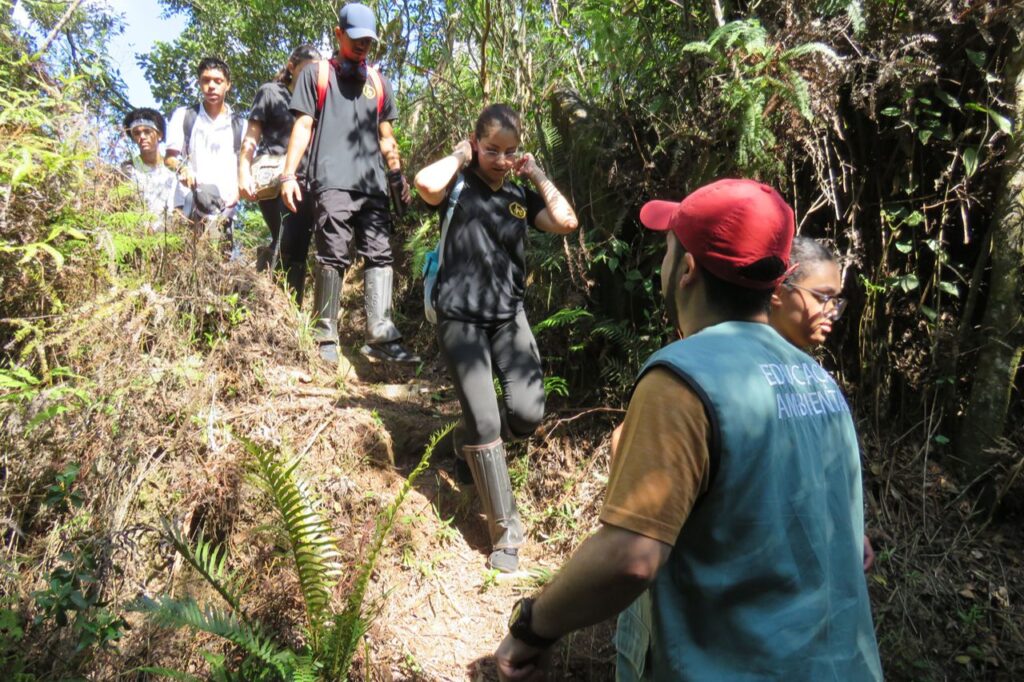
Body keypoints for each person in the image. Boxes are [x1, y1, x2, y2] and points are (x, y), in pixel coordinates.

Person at [495, 179, 882, 681]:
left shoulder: (684, 377)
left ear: (687, 269)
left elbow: (628, 559)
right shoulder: (818, 382)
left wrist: (532, 627)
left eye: (668, 249)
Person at [413, 104, 579, 573]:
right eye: (492, 149)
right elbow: (424, 184)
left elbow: (566, 221)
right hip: (459, 318)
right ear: (475, 142)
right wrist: (461, 155)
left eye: (510, 151)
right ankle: (506, 535)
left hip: (508, 317)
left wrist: (539, 173)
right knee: (488, 424)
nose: (501, 159)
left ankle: (462, 442)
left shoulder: (521, 198)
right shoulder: (457, 187)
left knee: (527, 414)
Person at [280, 3, 416, 364]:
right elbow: (303, 126)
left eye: (368, 41)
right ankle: (326, 335)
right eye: (355, 39)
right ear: (338, 34)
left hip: (373, 185)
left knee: (380, 253)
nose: (362, 46)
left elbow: (386, 135)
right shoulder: (316, 75)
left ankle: (380, 333)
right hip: (332, 180)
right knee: (332, 253)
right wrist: (289, 174)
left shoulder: (378, 81)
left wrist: (397, 175)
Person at [770, 235, 875, 571]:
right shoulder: (733, 371)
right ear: (778, 291)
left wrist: (852, 529)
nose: (832, 311)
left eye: (836, 301)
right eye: (822, 298)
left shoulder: (817, 380)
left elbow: (831, 470)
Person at [239, 44, 321, 304]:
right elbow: (252, 135)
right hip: (275, 181)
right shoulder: (271, 93)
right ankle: (265, 303)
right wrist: (243, 171)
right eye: (306, 70)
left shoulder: (316, 104)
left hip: (306, 183)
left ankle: (290, 314)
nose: (311, 77)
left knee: (298, 250)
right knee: (283, 240)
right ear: (291, 67)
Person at [165, 57, 245, 251]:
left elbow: (246, 168)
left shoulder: (241, 125)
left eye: (218, 81)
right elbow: (169, 158)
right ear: (199, 83)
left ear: (228, 85)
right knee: (182, 263)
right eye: (206, 80)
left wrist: (238, 193)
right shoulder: (185, 116)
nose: (211, 86)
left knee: (220, 271)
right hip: (187, 205)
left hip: (224, 211)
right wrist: (183, 169)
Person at [121, 107, 179, 230]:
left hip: (172, 235)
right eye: (137, 133)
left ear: (160, 135)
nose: (142, 137)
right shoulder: (127, 170)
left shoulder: (173, 169)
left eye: (147, 131)